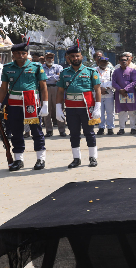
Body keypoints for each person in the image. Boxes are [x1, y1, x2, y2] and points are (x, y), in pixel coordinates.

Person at [0, 39, 48, 170]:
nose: (21, 56)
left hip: (31, 102)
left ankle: (40, 158)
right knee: (16, 132)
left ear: (27, 54)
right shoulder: (7, 68)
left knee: (36, 131)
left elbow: (43, 87)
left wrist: (45, 105)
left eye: (23, 53)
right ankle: (18, 160)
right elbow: (3, 88)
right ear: (13, 55)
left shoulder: (36, 67)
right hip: (14, 104)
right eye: (17, 53)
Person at [56, 41, 102, 168]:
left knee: (89, 133)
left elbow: (97, 89)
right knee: (74, 133)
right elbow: (60, 91)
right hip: (71, 108)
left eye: (78, 56)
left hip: (87, 108)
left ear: (81, 57)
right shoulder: (64, 72)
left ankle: (93, 157)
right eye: (73, 56)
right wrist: (58, 108)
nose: (75, 58)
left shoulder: (90, 71)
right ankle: (76, 159)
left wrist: (98, 107)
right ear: (68, 58)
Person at [112, 54, 136, 134]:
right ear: (119, 62)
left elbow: (134, 82)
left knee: (132, 112)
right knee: (122, 112)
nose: (124, 61)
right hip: (120, 94)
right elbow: (113, 82)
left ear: (128, 61)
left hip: (130, 93)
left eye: (125, 60)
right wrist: (120, 90)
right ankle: (121, 129)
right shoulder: (116, 72)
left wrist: (125, 89)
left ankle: (133, 128)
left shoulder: (132, 70)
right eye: (122, 60)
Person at [41, 51, 65, 137]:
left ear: (53, 58)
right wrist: (54, 77)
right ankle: (49, 130)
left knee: (59, 108)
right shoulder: (41, 67)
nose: (50, 59)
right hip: (45, 89)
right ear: (45, 58)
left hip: (56, 88)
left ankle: (62, 130)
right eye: (48, 57)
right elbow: (41, 77)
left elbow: (60, 77)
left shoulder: (58, 67)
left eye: (51, 57)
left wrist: (47, 77)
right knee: (46, 109)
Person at [96, 57, 115, 135]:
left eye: (105, 62)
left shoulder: (111, 71)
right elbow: (91, 81)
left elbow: (113, 82)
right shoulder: (94, 70)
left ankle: (110, 128)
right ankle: (101, 127)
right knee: (100, 112)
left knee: (110, 112)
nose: (103, 63)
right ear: (98, 62)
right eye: (102, 62)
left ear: (107, 63)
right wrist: (100, 88)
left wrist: (106, 87)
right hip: (98, 94)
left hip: (108, 94)